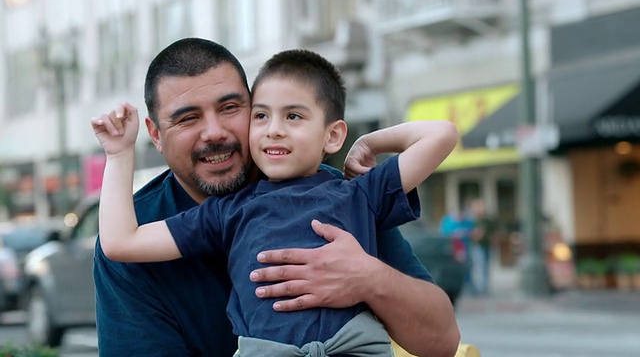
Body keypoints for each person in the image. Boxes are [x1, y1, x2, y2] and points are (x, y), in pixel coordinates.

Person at [92, 38, 460, 357]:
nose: (214, 132)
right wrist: (119, 156)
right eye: (187, 118)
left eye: (231, 108)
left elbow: (442, 342)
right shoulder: (153, 224)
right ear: (155, 135)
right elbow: (120, 242)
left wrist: (367, 278)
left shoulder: (342, 194)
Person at [439, 205, 476, 295]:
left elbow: (474, 232)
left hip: (465, 248)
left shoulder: (467, 222)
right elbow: (443, 234)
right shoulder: (447, 222)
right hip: (452, 250)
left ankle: (469, 287)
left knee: (468, 268)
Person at [469, 199, 498, 296]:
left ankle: (484, 288)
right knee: (479, 266)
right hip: (478, 246)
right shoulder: (473, 220)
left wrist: (493, 242)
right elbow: (473, 234)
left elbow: (494, 233)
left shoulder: (488, 220)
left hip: (487, 246)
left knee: (486, 267)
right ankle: (479, 288)